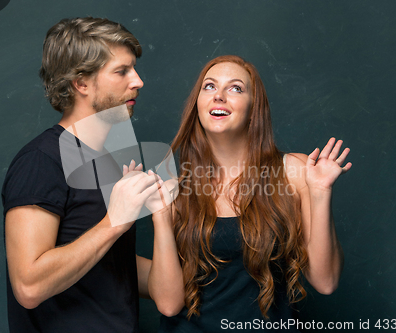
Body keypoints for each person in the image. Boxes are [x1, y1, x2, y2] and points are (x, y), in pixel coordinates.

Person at [147, 55, 352, 332]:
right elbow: (169, 305)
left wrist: (320, 192)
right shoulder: (177, 186)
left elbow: (325, 282)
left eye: (235, 88)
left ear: (254, 109)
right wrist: (160, 215)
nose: (218, 96)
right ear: (197, 105)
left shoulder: (293, 171)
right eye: (209, 87)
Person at [1, 17, 169, 332]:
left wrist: (211, 270)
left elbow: (107, 267)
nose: (138, 81)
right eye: (122, 71)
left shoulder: (108, 162)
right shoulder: (41, 162)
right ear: (81, 83)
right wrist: (113, 223)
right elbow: (29, 286)